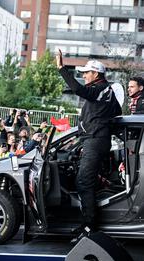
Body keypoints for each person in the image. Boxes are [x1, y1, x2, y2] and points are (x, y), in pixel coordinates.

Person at [56, 50, 122, 242]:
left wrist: (62, 68)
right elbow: (116, 111)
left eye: (86, 72)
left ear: (96, 75)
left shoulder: (100, 88)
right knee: (87, 181)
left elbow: (78, 89)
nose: (84, 75)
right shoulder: (106, 92)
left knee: (83, 182)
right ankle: (88, 223)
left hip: (95, 140)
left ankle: (89, 227)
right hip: (95, 140)